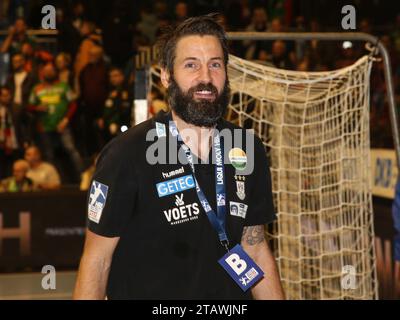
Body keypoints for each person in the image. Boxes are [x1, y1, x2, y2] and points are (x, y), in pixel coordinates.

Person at [74, 15, 284, 300]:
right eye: (191, 65)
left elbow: (255, 249)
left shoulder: (246, 147)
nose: (206, 78)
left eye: (215, 64)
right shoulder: (128, 153)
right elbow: (97, 261)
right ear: (165, 76)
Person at [28, 63, 83, 180]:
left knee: (71, 149)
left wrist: (66, 120)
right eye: (46, 70)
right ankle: (53, 180)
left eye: (51, 70)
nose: (48, 73)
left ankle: (84, 177)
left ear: (55, 72)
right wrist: (37, 108)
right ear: (42, 73)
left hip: (62, 125)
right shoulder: (37, 88)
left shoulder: (64, 86)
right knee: (49, 154)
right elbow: (29, 106)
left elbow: (73, 104)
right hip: (45, 126)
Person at [0, 86, 19, 179]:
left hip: (14, 142)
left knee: (15, 167)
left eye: (7, 95)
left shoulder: (17, 108)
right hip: (1, 143)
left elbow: (25, 126)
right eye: (2, 95)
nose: (5, 97)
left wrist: (26, 140)